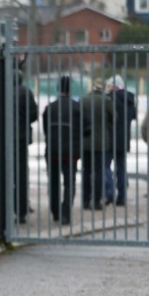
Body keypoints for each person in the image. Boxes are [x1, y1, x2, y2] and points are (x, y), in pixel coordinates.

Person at [42, 76, 87, 225]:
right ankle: (66, 214)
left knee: (53, 182)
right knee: (69, 182)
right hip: (70, 152)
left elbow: (45, 129)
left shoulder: (50, 107)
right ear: (70, 89)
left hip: (53, 150)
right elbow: (87, 127)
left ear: (58, 88)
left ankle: (55, 212)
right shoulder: (76, 107)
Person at [80, 78, 113, 210]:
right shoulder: (106, 100)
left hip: (85, 141)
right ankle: (97, 201)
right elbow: (113, 118)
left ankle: (85, 200)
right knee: (99, 172)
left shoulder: (84, 99)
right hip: (101, 142)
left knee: (86, 170)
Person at [105, 75, 137, 206]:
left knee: (105, 165)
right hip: (124, 139)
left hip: (111, 138)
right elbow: (133, 116)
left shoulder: (110, 99)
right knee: (121, 168)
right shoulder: (130, 99)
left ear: (113, 86)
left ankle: (110, 192)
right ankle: (122, 197)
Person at [14, 71, 39, 223]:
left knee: (4, 174)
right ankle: (22, 210)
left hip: (5, 139)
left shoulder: (3, 89)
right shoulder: (26, 92)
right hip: (21, 137)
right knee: (22, 174)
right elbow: (34, 115)